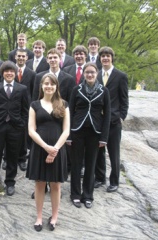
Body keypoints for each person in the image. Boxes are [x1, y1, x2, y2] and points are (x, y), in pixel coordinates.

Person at [26, 73, 70, 232]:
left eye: (52, 84)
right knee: (39, 184)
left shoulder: (64, 104)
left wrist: (55, 149)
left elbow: (66, 131)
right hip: (39, 149)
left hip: (58, 150)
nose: (49, 86)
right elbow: (31, 130)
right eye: (46, 84)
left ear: (56, 86)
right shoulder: (34, 105)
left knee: (56, 186)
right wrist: (46, 147)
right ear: (42, 86)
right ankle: (39, 217)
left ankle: (54, 217)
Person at [31, 48, 75, 199]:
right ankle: (41, 187)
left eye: (55, 57)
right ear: (47, 59)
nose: (52, 59)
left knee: (55, 168)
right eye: (50, 57)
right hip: (42, 124)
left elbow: (69, 103)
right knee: (40, 171)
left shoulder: (68, 79)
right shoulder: (39, 77)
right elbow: (34, 98)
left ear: (60, 58)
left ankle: (54, 186)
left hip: (59, 125)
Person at [67, 62, 111, 209]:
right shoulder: (76, 89)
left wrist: (104, 137)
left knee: (91, 165)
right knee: (76, 164)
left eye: (92, 72)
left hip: (95, 132)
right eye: (87, 72)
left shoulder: (104, 91)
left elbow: (107, 116)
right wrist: (68, 134)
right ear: (84, 74)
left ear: (97, 73)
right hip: (77, 131)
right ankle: (75, 194)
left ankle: (87, 195)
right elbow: (70, 112)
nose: (90, 75)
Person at [0, 61, 29, 197]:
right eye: (6, 71)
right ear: (2, 73)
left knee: (12, 157)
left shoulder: (22, 89)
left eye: (12, 71)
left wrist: (22, 124)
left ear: (15, 73)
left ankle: (10, 182)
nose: (9, 73)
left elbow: (25, 110)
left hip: (15, 128)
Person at [94, 47, 129, 193]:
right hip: (98, 121)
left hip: (114, 121)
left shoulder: (121, 76)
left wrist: (121, 116)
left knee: (114, 152)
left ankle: (114, 181)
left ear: (112, 58)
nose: (105, 58)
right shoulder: (96, 75)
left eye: (108, 56)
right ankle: (100, 178)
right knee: (99, 151)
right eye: (103, 56)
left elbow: (124, 99)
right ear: (100, 58)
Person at [2, 49, 36, 171]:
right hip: (10, 106)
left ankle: (22, 159)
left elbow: (33, 91)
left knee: (23, 133)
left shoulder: (32, 74)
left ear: (27, 58)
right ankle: (6, 158)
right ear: (15, 57)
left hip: (25, 108)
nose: (21, 58)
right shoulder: (9, 72)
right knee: (7, 133)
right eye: (19, 56)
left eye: (23, 56)